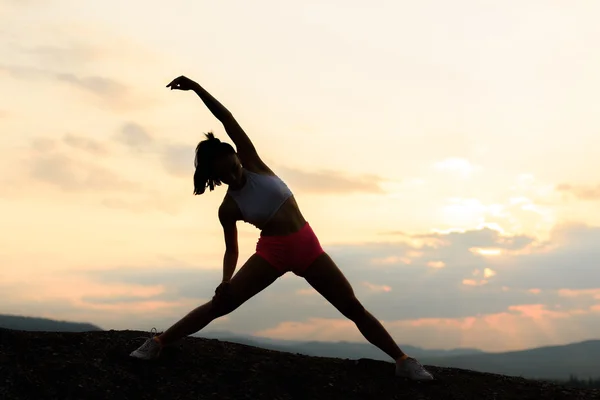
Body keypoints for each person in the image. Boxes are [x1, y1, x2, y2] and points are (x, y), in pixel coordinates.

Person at [129, 75, 434, 381]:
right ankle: (158, 342)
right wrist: (225, 280)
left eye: (233, 166)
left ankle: (403, 361)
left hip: (307, 245)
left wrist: (196, 88)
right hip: (272, 253)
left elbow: (226, 117)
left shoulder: (253, 162)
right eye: (226, 174)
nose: (234, 175)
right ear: (215, 176)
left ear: (238, 158)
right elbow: (231, 248)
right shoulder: (229, 208)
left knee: (351, 306)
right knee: (220, 305)